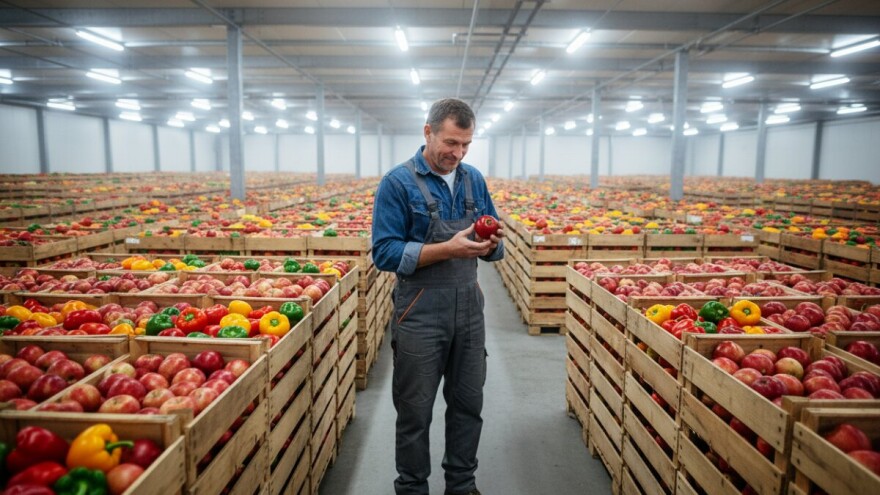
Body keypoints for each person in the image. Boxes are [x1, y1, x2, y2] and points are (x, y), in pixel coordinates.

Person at [372, 98, 505, 495]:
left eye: (466, 144)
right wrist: (448, 248)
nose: (458, 153)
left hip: (469, 307)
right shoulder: (397, 183)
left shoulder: (473, 180)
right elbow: (384, 253)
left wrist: (492, 242)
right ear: (427, 132)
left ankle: (461, 485)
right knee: (414, 411)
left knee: (468, 404)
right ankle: (412, 488)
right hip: (420, 310)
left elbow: (496, 245)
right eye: (450, 142)